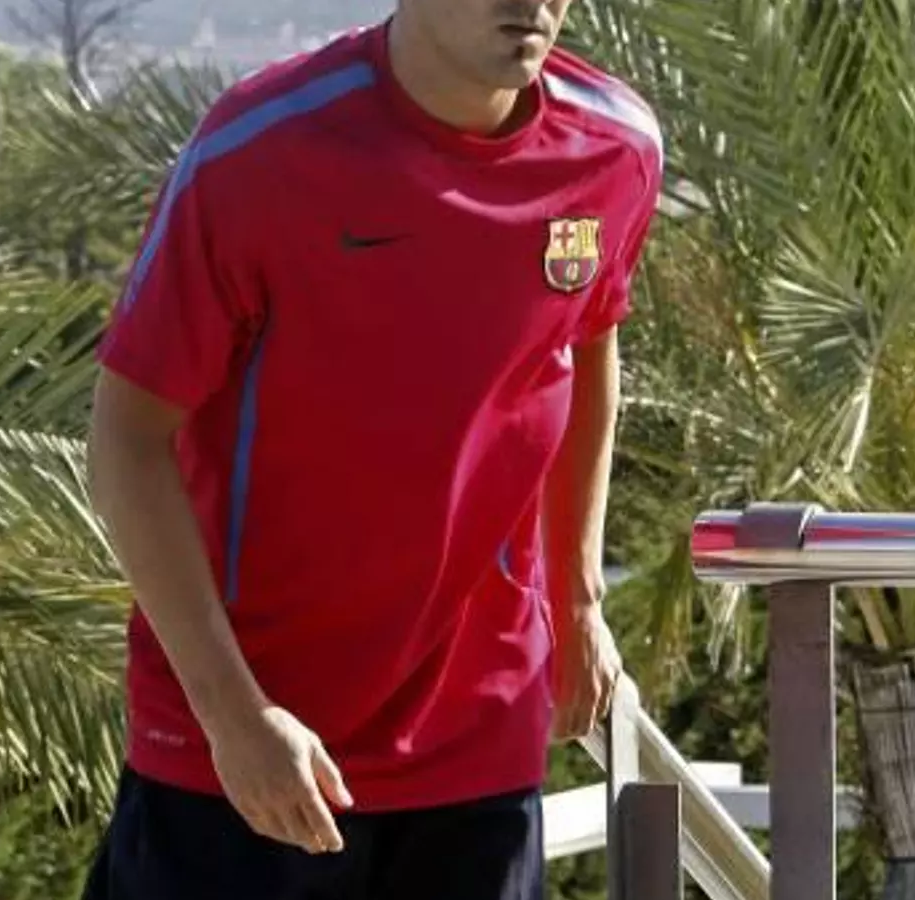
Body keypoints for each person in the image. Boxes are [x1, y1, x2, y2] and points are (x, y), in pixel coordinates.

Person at [81, 0, 662, 896]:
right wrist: (234, 717)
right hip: (250, 759)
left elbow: (587, 342)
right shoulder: (258, 153)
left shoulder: (616, 146)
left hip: (479, 751)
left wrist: (578, 597)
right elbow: (126, 438)